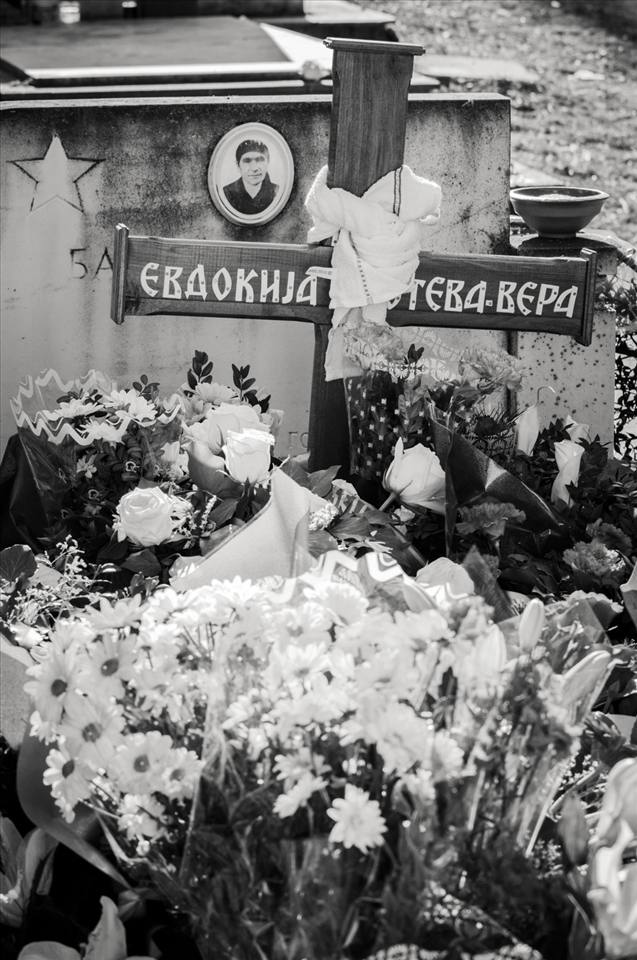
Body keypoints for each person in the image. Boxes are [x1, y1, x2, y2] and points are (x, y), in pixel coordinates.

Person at [223, 140, 279, 215]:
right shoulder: (226, 194)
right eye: (247, 161)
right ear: (238, 166)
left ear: (268, 162)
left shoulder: (277, 192)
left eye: (260, 160)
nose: (254, 168)